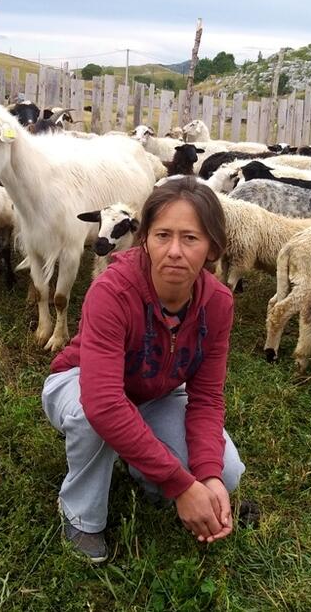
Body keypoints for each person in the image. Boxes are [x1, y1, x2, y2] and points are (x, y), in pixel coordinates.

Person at [42, 176, 246, 563]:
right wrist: (180, 484)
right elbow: (103, 402)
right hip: (80, 383)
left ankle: (142, 465)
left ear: (213, 248)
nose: (174, 251)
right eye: (162, 235)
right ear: (144, 239)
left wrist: (207, 476)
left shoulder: (218, 303)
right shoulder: (112, 291)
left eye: (190, 238)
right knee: (93, 416)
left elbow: (205, 398)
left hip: (156, 390)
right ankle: (82, 515)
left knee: (227, 473)